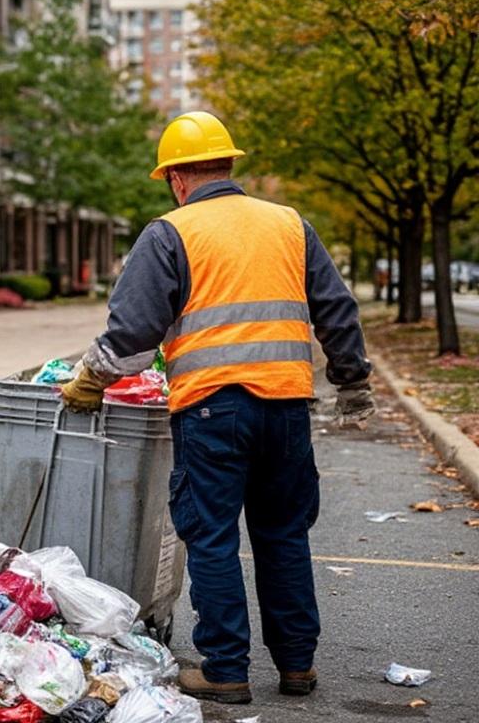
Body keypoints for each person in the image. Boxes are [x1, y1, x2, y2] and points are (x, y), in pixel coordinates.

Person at [60, 111, 375, 705]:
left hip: (212, 408)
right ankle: (297, 665)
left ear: (176, 177)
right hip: (286, 405)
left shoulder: (170, 233)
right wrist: (353, 380)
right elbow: (336, 308)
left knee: (210, 537)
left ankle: (226, 669)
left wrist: (90, 379)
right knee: (284, 534)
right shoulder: (290, 224)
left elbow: (132, 334)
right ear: (228, 165)